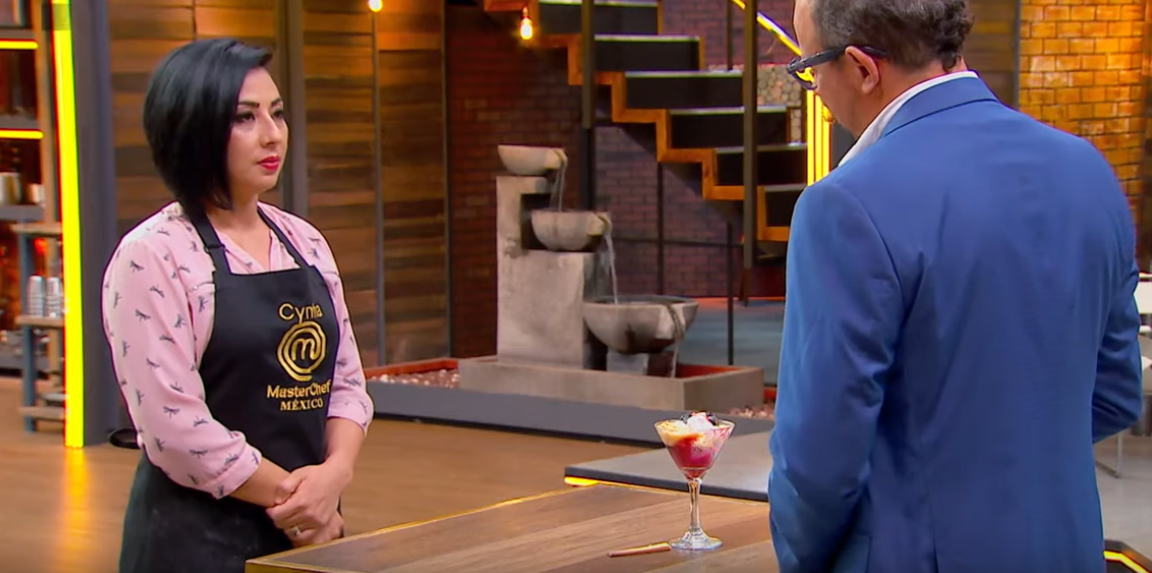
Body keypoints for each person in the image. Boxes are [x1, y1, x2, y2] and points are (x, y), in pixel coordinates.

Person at [768, 0, 1145, 572]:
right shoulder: (1087, 169)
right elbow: (1115, 393)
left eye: (809, 67)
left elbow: (818, 458)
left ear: (863, 68)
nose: (814, 89)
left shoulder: (844, 205)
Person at [101, 38, 375, 573]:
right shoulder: (153, 255)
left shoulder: (305, 242)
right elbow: (175, 429)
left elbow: (346, 384)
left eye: (277, 113)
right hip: (197, 540)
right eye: (244, 118)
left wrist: (335, 475)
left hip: (311, 533)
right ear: (192, 129)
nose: (272, 134)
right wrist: (300, 504)